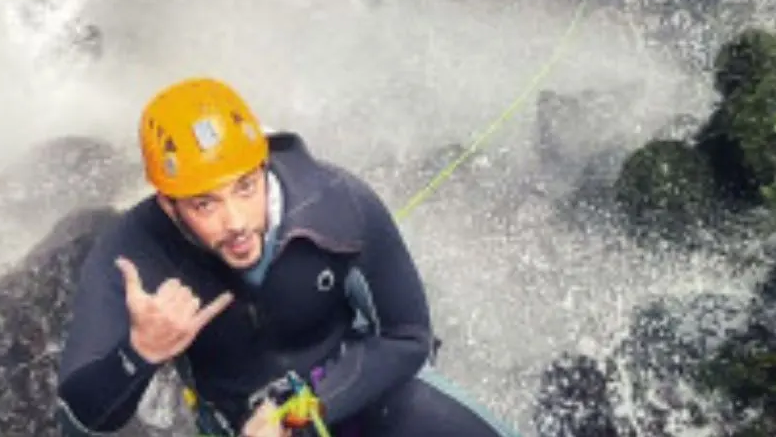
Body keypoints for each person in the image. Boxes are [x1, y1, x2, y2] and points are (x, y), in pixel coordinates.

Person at [54, 75, 523, 437]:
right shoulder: (135, 257)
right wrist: (140, 353)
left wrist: (299, 411)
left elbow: (409, 337)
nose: (236, 221)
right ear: (168, 206)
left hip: (366, 399)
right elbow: (78, 421)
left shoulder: (336, 204)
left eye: (245, 187)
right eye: (204, 204)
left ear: (263, 167)